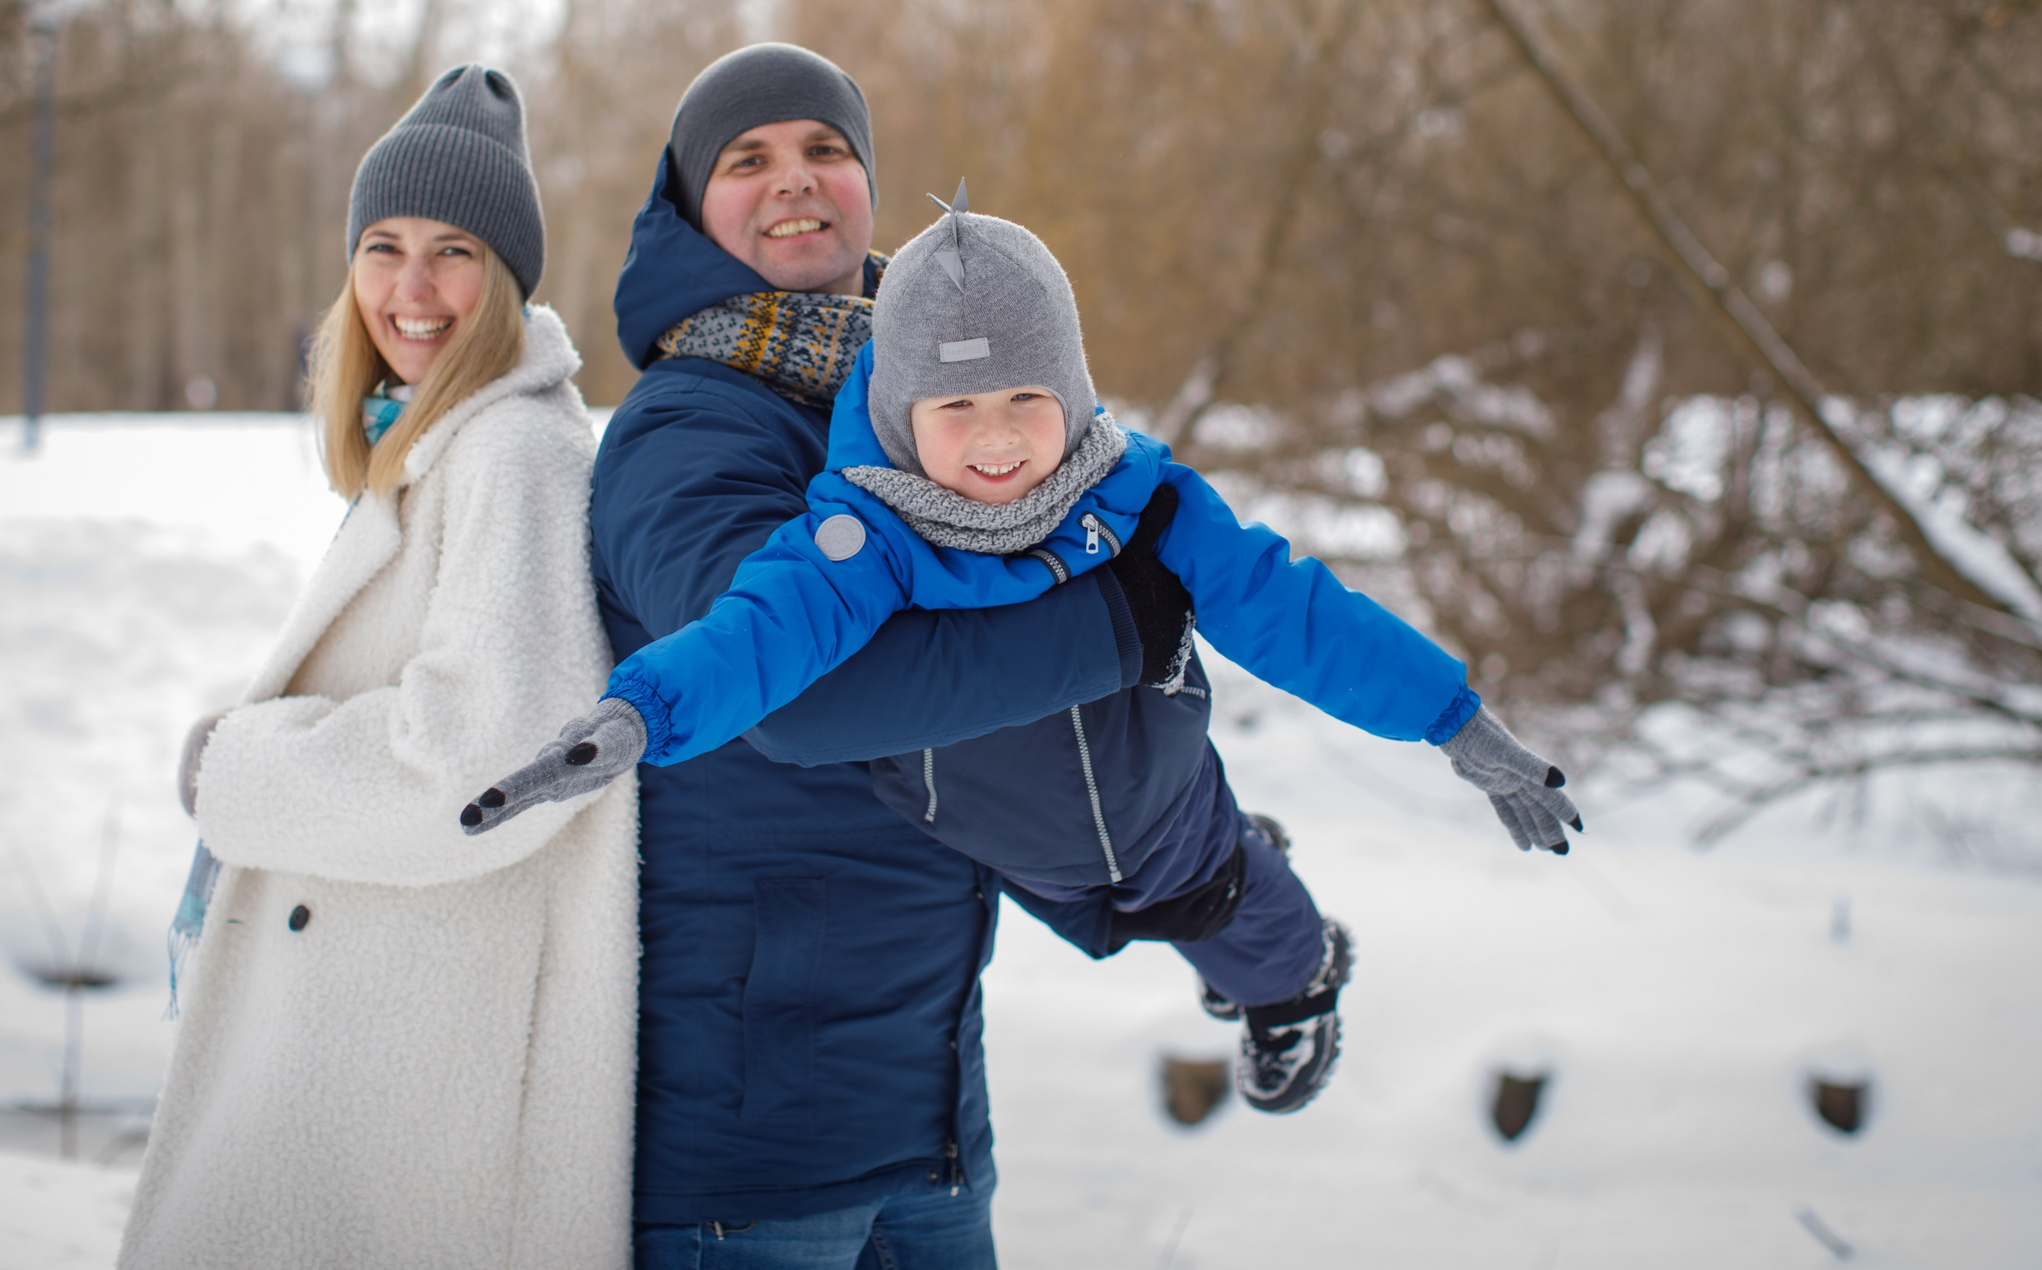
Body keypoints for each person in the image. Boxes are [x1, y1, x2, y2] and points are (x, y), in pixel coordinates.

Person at [471, 191, 1583, 1115]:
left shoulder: (1144, 504)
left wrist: (1451, 719)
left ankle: (1301, 974)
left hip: (1150, 801)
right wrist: (642, 714)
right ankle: (1250, 884)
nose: (996, 440)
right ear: (905, 412)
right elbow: (759, 634)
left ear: (1076, 391)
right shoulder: (864, 531)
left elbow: (1297, 614)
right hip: (993, 833)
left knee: (1208, 904)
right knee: (1111, 909)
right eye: (955, 405)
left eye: (1025, 399)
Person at [585, 43, 1200, 1269]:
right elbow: (798, 702)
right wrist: (1117, 625)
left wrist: (1191, 867)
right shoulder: (689, 425)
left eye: (827, 150)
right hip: (751, 1146)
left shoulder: (920, 411)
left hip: (927, 1105)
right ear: (692, 207)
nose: (794, 181)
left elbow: (1004, 714)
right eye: (747, 161)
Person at [120, 66, 636, 1270]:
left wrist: (238, 771)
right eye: (384, 247)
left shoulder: (511, 452)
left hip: (421, 1055)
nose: (412, 289)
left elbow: (486, 764)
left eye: (453, 251)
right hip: (382, 1015)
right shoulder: (426, 440)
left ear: (505, 278)